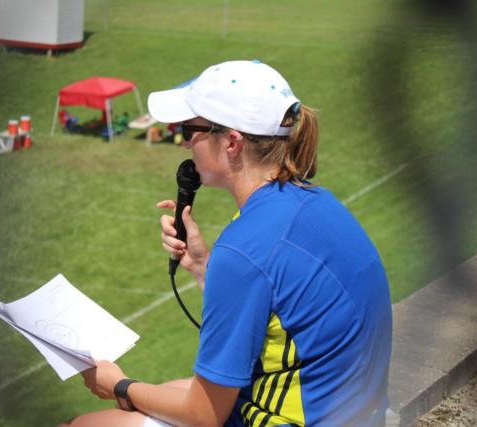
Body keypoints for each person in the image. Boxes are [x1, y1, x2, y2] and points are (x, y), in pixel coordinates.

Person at [59, 60, 393, 427]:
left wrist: (119, 385)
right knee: (160, 394)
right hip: (355, 414)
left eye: (191, 129)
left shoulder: (244, 249)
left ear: (232, 142)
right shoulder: (314, 200)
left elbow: (204, 416)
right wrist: (205, 269)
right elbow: (278, 308)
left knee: (82, 424)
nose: (184, 141)